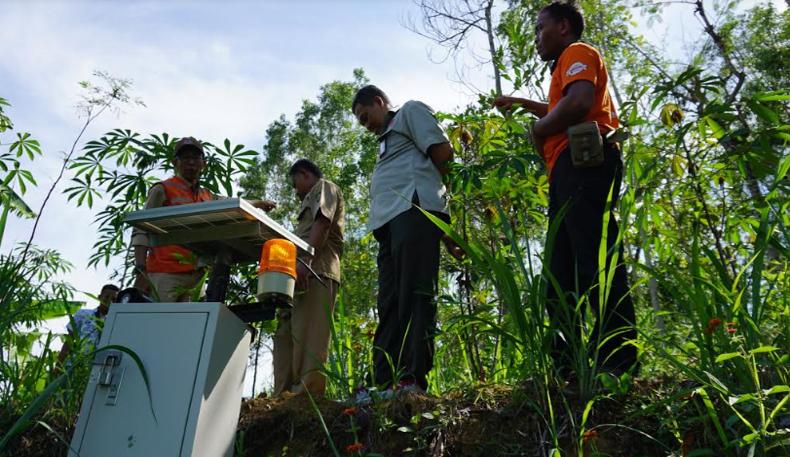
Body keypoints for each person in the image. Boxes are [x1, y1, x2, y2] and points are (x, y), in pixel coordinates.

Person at [493, 1, 638, 374]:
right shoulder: (564, 69)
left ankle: (617, 363)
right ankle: (568, 368)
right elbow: (562, 104)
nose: (537, 38)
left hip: (585, 164)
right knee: (560, 274)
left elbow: (578, 103)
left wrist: (539, 130)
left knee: (596, 260)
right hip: (567, 170)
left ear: (563, 27)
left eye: (540, 29)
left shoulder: (578, 52)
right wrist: (526, 105)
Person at [352, 85, 463, 393]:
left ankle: (413, 377)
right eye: (361, 122)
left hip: (413, 211)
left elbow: (443, 156)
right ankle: (384, 380)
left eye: (365, 116)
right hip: (388, 225)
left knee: (415, 293)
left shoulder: (410, 112)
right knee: (388, 302)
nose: (366, 125)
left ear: (379, 102)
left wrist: (450, 229)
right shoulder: (386, 141)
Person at [131, 137, 275, 302]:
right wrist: (141, 268)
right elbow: (142, 227)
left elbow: (233, 203)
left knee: (191, 326)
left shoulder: (206, 196)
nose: (191, 162)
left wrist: (258, 203)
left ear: (203, 164)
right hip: (164, 273)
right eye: (186, 158)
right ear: (175, 162)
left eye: (196, 158)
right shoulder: (162, 189)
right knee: (159, 323)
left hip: (196, 277)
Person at [273, 159, 344, 397]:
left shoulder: (324, 187)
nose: (296, 192)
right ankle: (282, 394)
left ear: (304, 174)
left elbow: (322, 222)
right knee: (286, 334)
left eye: (295, 185)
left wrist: (306, 260)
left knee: (310, 335)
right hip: (299, 274)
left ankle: (306, 397)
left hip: (317, 271)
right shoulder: (309, 198)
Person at [57, 284, 119, 366]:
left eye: (114, 299)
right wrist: (58, 365)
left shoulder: (115, 323)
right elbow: (69, 340)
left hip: (97, 367)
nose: (109, 301)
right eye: (106, 297)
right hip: (74, 364)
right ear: (99, 297)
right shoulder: (83, 314)